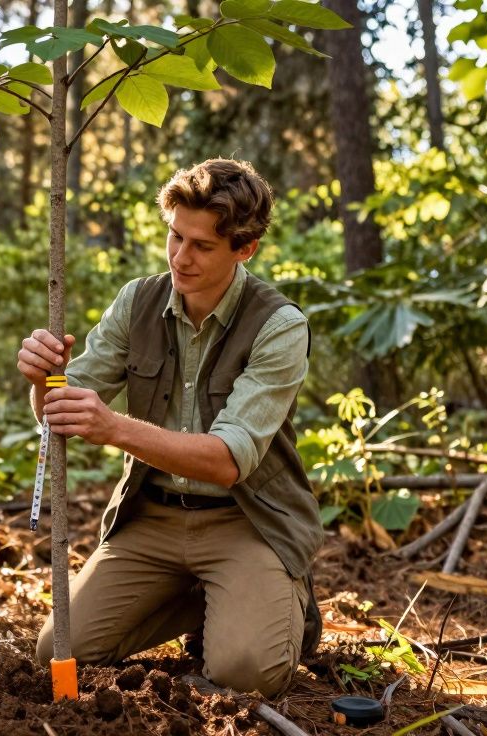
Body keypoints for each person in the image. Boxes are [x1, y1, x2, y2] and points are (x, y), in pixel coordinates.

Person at [17, 158, 323, 697]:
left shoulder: (279, 325)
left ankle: (273, 595)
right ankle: (207, 597)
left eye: (202, 246)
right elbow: (56, 411)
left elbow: (229, 461)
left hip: (246, 522)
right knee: (60, 650)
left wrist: (113, 428)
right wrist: (43, 378)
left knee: (243, 673)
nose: (181, 258)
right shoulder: (138, 300)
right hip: (152, 520)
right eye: (175, 237)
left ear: (244, 248)